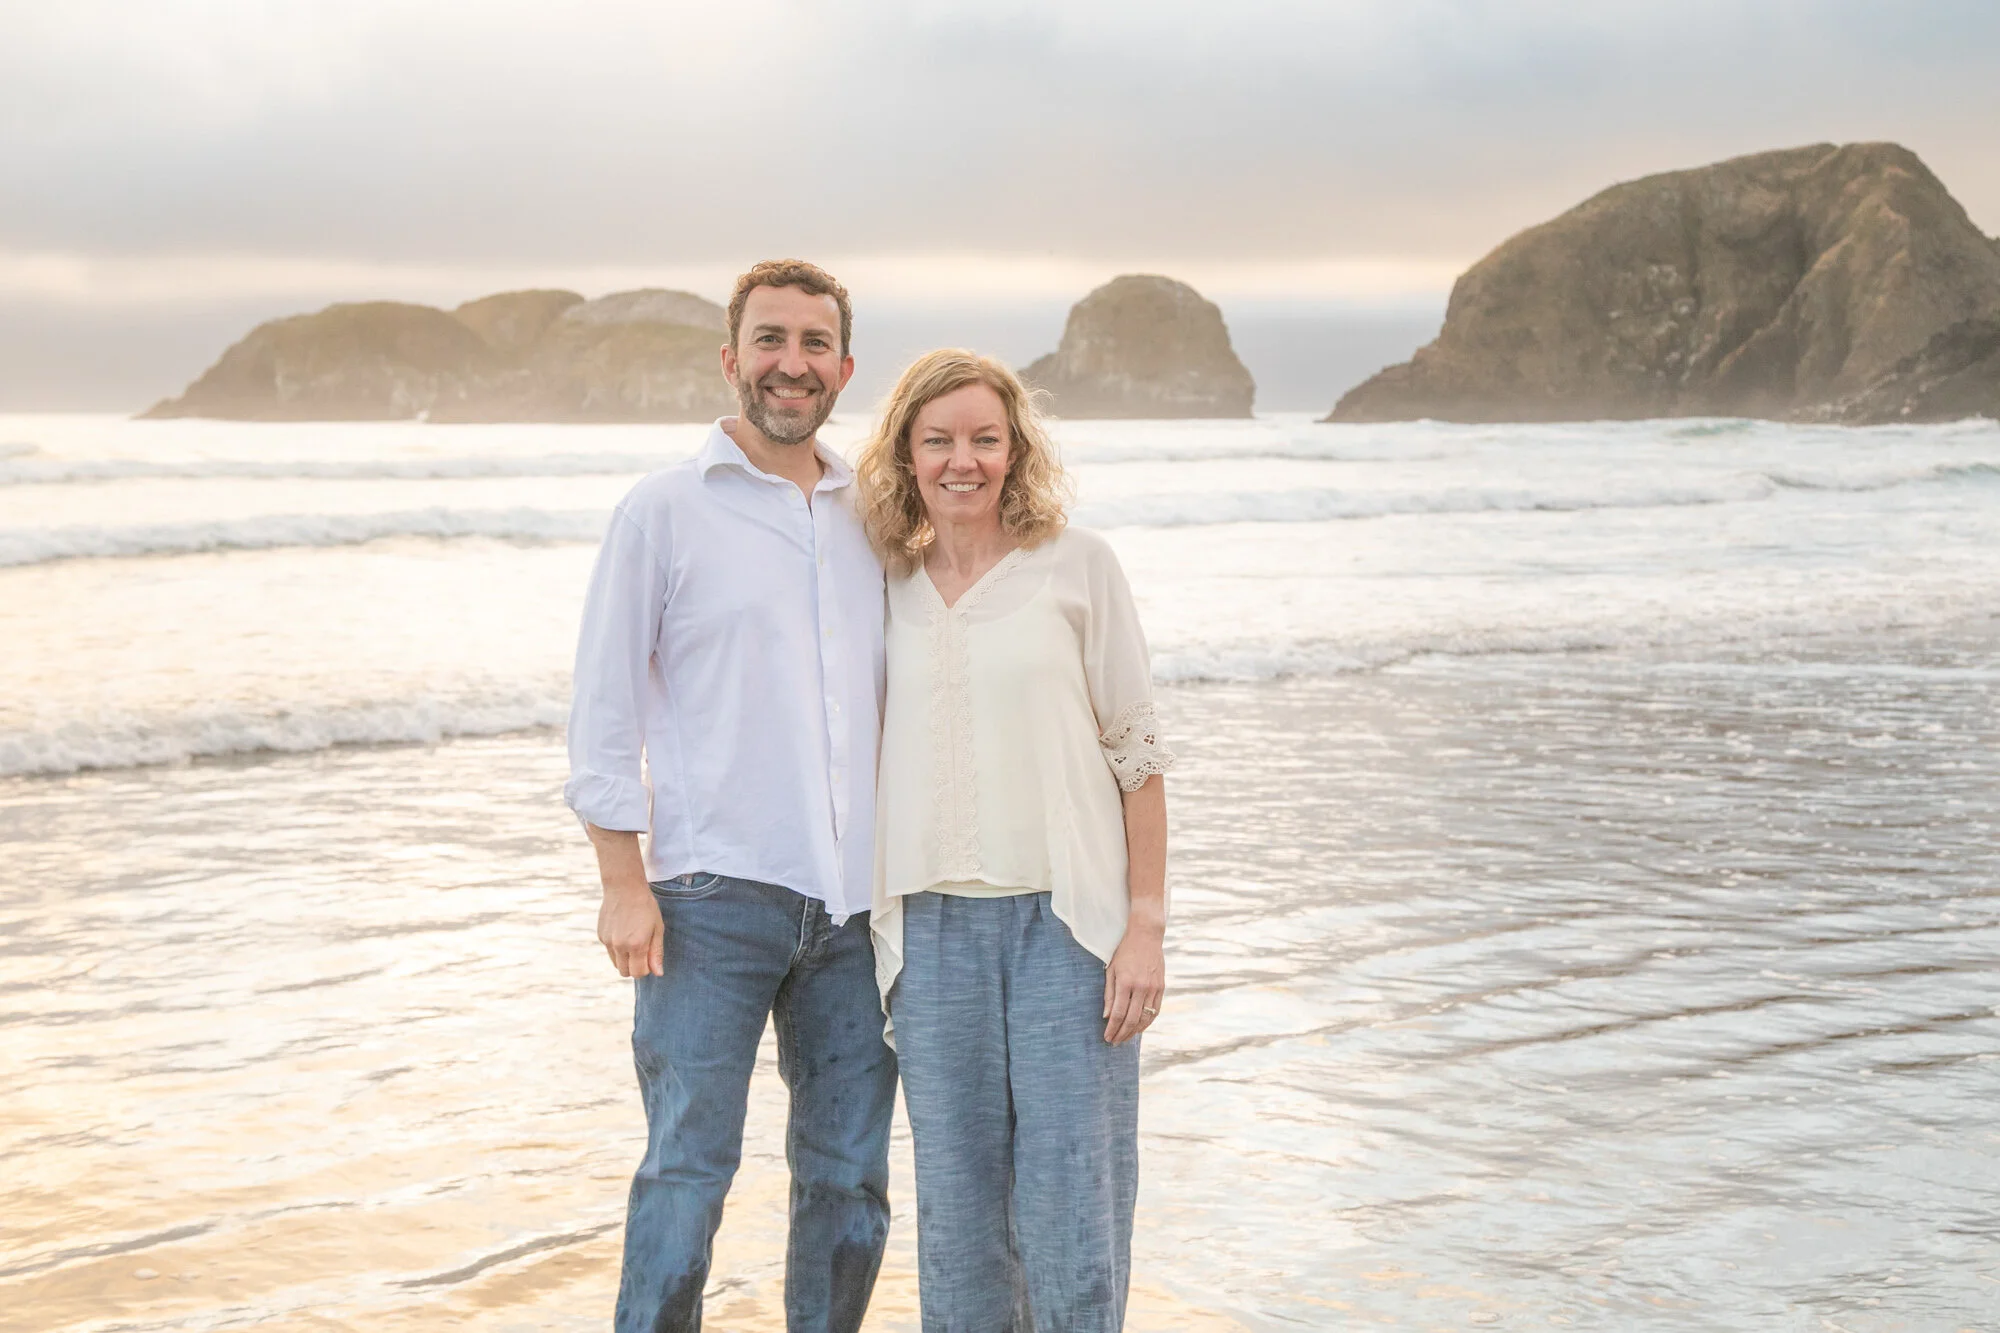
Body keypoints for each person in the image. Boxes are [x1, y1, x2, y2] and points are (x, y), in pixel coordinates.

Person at [564, 259, 897, 1333]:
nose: (791, 364)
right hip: (708, 899)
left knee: (849, 1174)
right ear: (731, 358)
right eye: (770, 340)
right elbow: (603, 710)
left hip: (858, 909)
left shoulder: (876, 513)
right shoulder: (662, 512)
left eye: (813, 343)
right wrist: (622, 883)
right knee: (686, 1170)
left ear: (843, 368)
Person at [855, 349, 1174, 1332]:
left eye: (985, 439)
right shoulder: (881, 583)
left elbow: (1137, 756)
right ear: (905, 454)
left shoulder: (1079, 565)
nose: (964, 461)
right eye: (939, 440)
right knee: (956, 1223)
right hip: (929, 937)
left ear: (1014, 451)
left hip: (1066, 933)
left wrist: (1144, 929)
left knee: (1072, 1208)